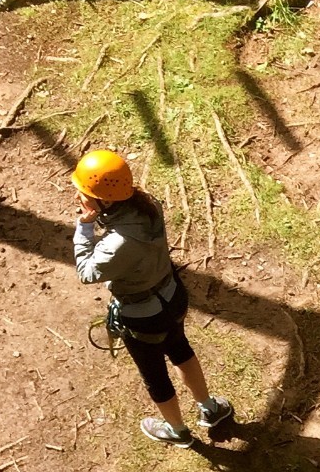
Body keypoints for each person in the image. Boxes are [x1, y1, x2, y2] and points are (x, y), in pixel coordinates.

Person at [69, 149, 234, 448]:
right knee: (181, 350)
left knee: (155, 376)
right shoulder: (148, 207)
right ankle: (210, 409)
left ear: (105, 200)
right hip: (172, 297)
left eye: (84, 193)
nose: (80, 197)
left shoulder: (118, 245)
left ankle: (177, 431)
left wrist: (85, 227)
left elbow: (87, 272)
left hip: (143, 317)